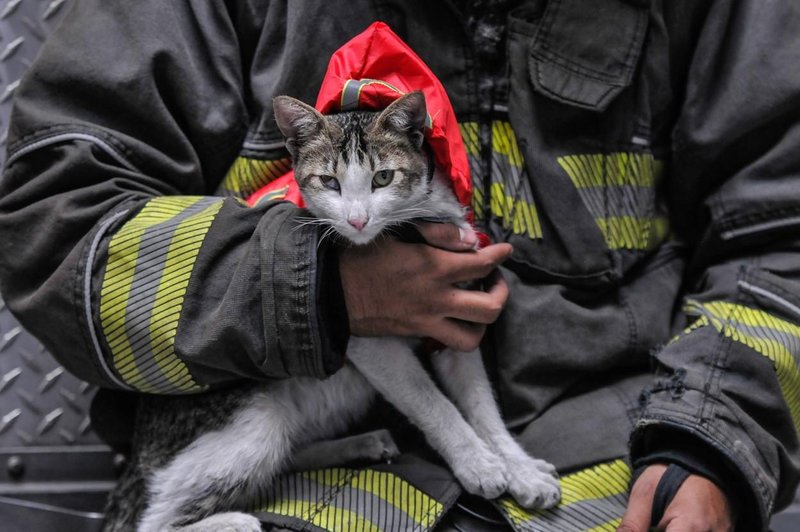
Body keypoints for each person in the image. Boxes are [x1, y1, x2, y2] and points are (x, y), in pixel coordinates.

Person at [0, 1, 798, 530]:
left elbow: (781, 234)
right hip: (293, 495)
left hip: (617, 471)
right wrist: (305, 288)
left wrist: (716, 443)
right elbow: (54, 222)